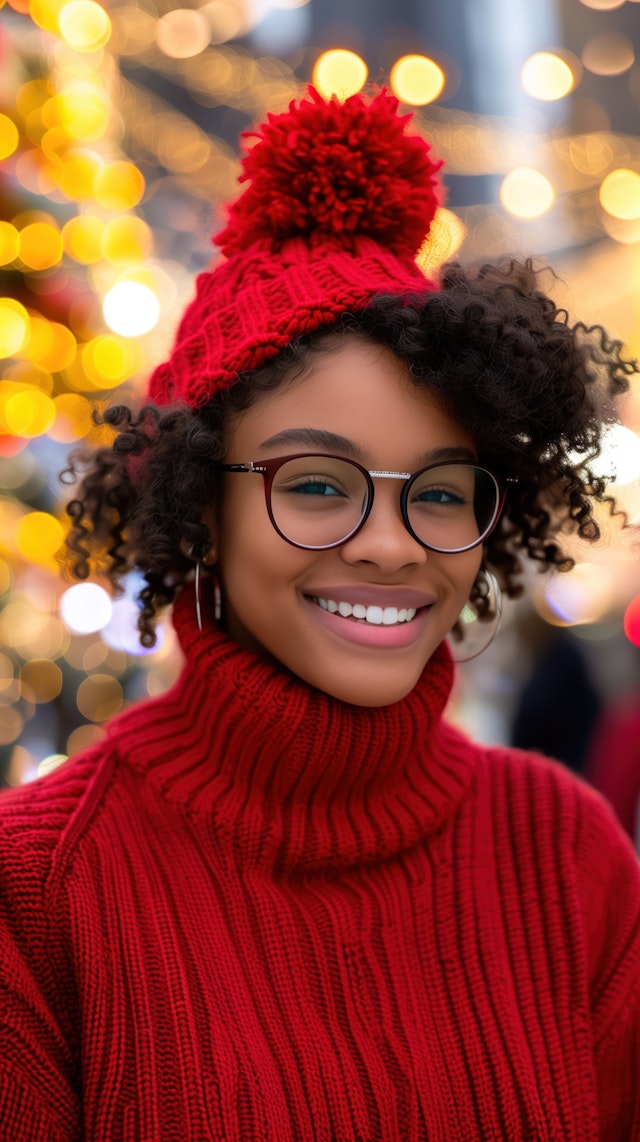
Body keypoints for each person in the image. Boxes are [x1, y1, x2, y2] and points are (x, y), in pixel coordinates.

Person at [0, 86, 639, 1141]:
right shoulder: (39, 887)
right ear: (201, 502)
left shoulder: (564, 852)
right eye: (315, 483)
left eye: (439, 491)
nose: (390, 543)